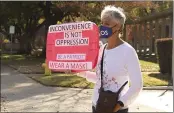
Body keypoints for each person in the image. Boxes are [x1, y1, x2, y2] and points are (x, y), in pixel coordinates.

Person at [71, 5, 143, 113]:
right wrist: (80, 72)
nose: (103, 27)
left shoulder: (128, 51)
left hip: (116, 109)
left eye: (107, 24)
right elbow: (100, 79)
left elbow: (137, 85)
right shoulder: (102, 49)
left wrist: (118, 106)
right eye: (102, 23)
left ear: (118, 26)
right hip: (97, 105)